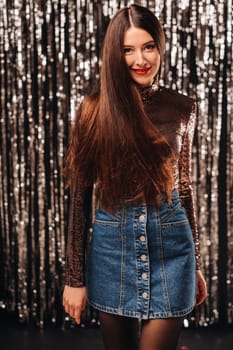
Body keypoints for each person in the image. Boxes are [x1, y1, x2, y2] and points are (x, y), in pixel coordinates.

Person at [62, 4, 207, 350]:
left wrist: (196, 264)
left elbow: (183, 188)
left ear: (160, 47)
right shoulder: (93, 110)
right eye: (127, 49)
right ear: (115, 54)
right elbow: (80, 198)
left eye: (148, 46)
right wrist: (74, 279)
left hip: (173, 250)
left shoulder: (183, 108)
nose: (140, 59)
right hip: (113, 251)